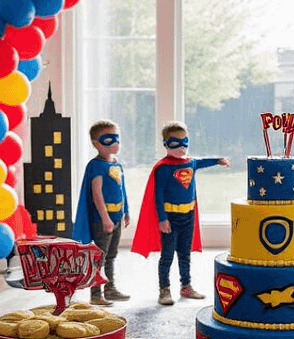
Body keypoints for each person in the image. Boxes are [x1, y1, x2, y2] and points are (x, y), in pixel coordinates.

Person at [131, 121, 229, 305]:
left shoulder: (190, 162)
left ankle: (186, 286)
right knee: (167, 255)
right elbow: (158, 195)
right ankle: (164, 289)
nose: (181, 147)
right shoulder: (164, 167)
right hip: (170, 217)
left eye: (185, 142)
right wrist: (162, 219)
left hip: (188, 216)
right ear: (166, 144)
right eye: (175, 143)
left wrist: (218, 160)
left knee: (185, 254)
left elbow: (202, 161)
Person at [71, 120, 130, 306]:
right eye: (108, 139)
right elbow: (96, 194)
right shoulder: (96, 166)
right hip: (103, 219)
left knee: (111, 255)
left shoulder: (116, 164)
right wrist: (105, 218)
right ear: (96, 143)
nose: (115, 143)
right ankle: (96, 293)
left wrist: (126, 211)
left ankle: (110, 289)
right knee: (99, 257)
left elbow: (122, 190)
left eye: (117, 138)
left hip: (117, 217)